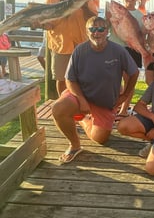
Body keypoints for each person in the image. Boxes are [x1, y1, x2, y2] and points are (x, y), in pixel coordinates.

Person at [51, 16, 139, 164]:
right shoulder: (79, 50)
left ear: (107, 31)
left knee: (100, 139)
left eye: (100, 29)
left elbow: (134, 72)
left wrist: (124, 96)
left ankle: (83, 120)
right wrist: (81, 99)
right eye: (92, 29)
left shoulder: (118, 51)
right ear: (87, 32)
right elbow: (70, 80)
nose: (96, 33)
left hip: (105, 102)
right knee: (58, 109)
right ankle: (74, 145)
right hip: (81, 96)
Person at [46, 0, 97, 96]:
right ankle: (63, 104)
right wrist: (39, 24)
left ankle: (80, 106)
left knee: (82, 79)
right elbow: (47, 24)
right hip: (60, 46)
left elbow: (94, 20)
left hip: (81, 46)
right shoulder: (51, 1)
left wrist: (84, 7)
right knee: (61, 79)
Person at [108, 0, 144, 119]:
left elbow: (142, 36)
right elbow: (106, 28)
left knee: (129, 81)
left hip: (132, 49)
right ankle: (116, 106)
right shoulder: (112, 13)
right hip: (114, 48)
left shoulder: (140, 16)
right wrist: (107, 18)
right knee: (114, 80)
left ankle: (123, 110)